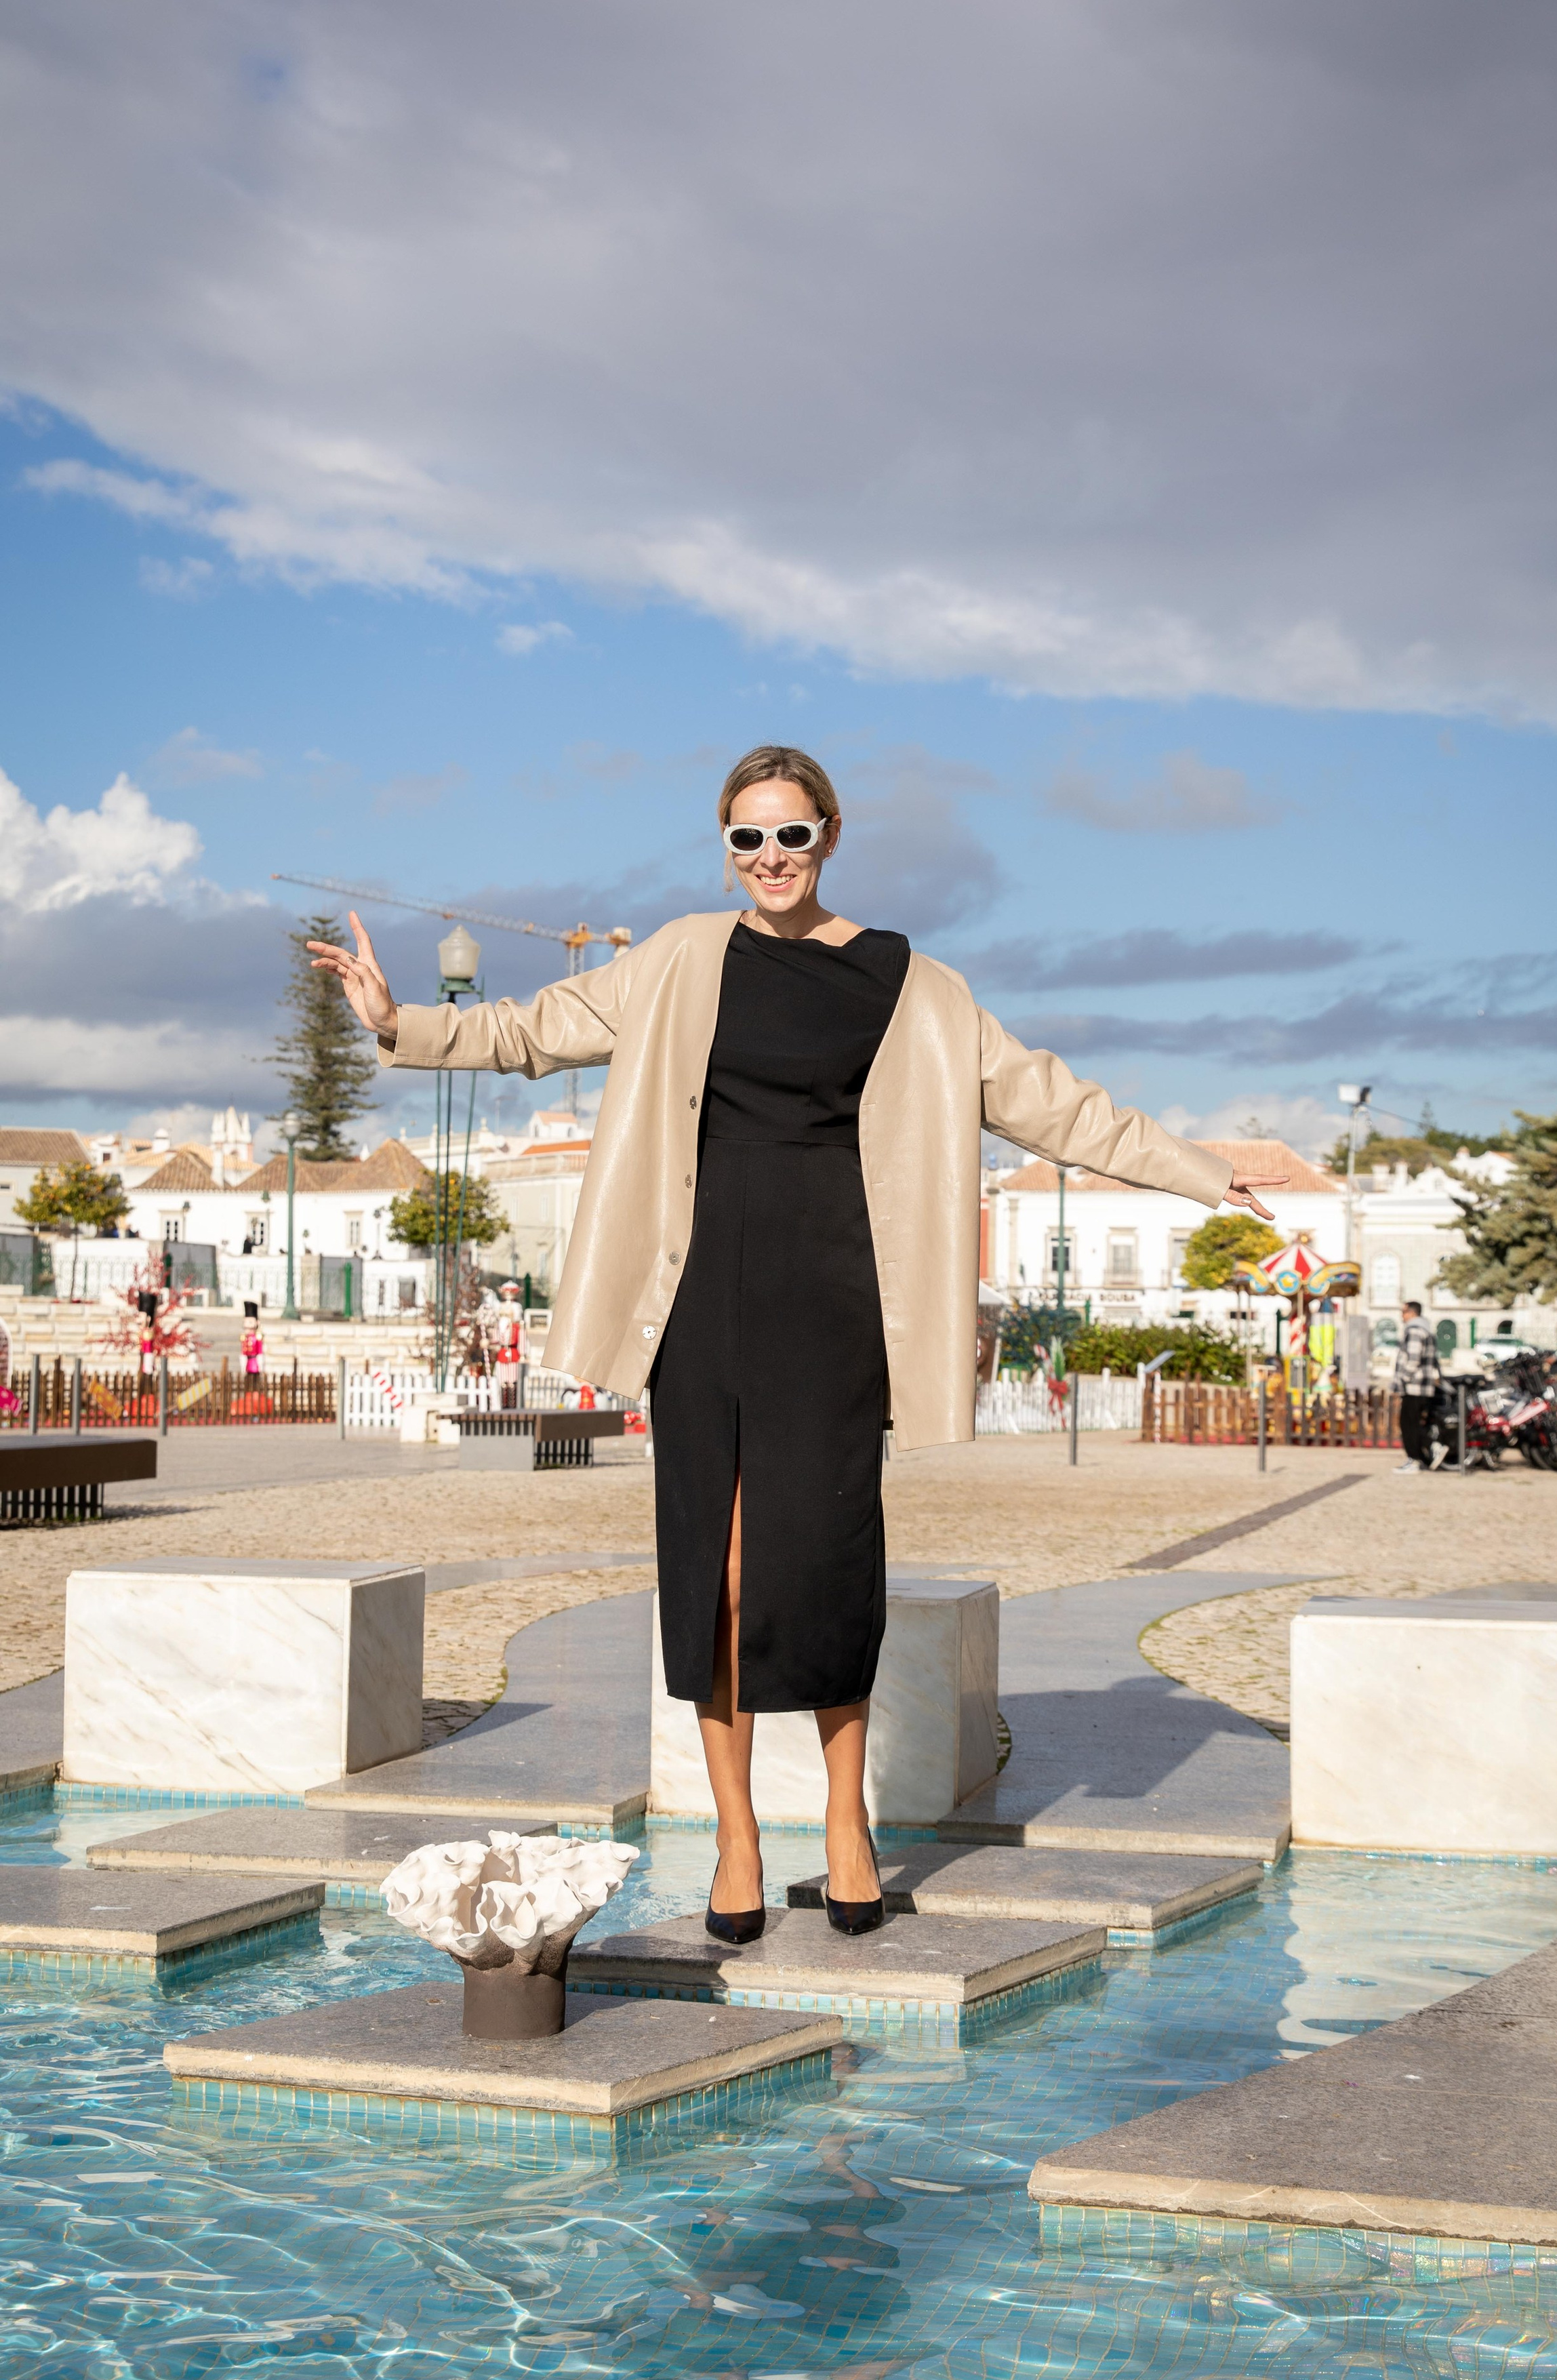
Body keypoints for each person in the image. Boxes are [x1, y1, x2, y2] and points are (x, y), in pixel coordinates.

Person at [306, 746, 1281, 1941]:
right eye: (747, 840)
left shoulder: (914, 986)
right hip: (699, 1297)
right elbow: (532, 1030)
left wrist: (1200, 1168)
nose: (770, 859)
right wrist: (396, 1024)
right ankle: (735, 1839)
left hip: (839, 1301)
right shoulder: (677, 958)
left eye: (792, 836)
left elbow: (1053, 1102)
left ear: (830, 837)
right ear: (725, 848)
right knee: (712, 1575)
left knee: (823, 1566)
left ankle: (845, 1825)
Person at [1392, 1298, 1440, 1471]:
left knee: (1408, 1424)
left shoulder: (1414, 1331)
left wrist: (1403, 1379)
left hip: (1414, 1386)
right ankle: (1420, 1457)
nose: (1402, 1317)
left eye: (1403, 1313)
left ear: (1411, 1313)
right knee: (1414, 1423)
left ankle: (1415, 1458)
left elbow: (1413, 1359)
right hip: (1423, 1385)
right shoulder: (1426, 1330)